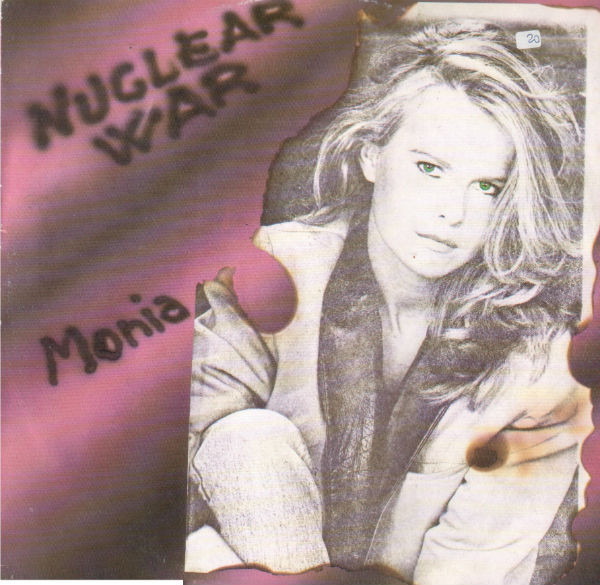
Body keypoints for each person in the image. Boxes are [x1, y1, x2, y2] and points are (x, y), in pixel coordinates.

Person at [185, 19, 591, 585]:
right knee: (246, 440)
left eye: (487, 187)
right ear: (372, 156)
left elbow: (470, 567)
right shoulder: (269, 269)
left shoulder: (540, 364)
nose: (453, 212)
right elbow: (172, 487)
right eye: (430, 169)